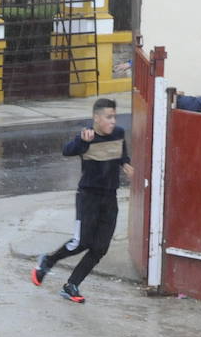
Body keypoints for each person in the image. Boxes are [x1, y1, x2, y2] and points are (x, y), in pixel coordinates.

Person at [31, 97, 135, 304]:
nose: (113, 121)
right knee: (82, 242)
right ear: (96, 118)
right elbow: (67, 151)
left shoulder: (119, 134)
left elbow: (121, 154)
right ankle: (47, 261)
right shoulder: (87, 136)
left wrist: (126, 165)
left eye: (114, 116)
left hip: (110, 197)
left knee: (100, 248)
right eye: (108, 117)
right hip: (88, 197)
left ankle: (72, 285)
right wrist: (82, 141)